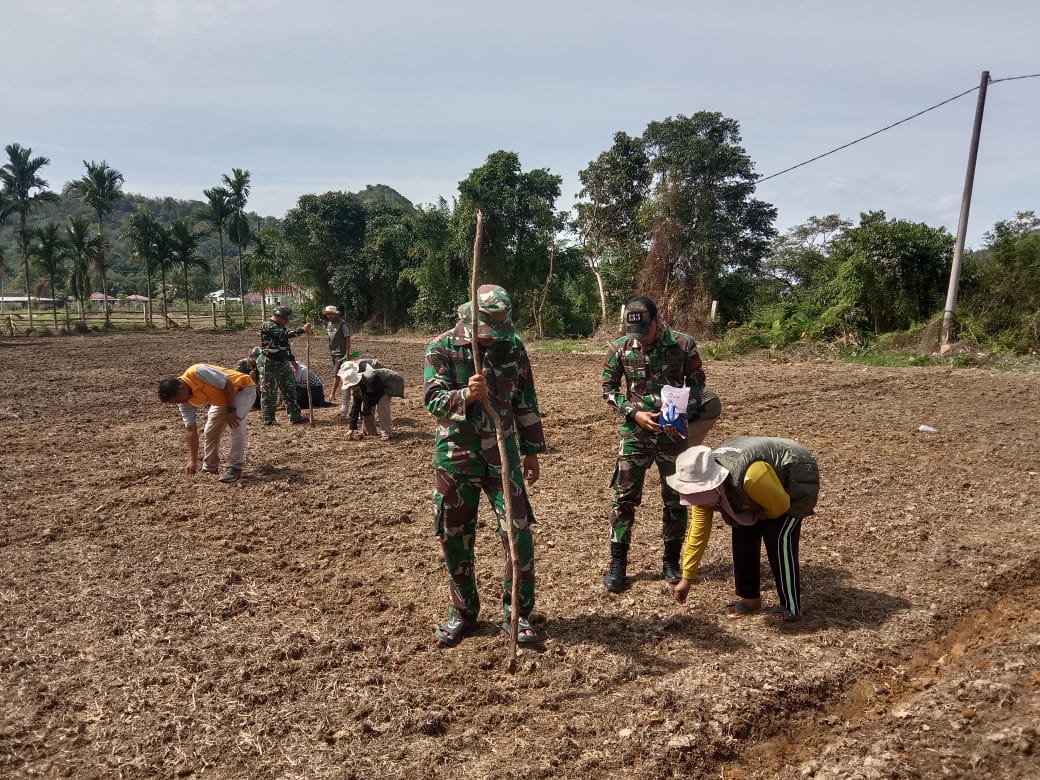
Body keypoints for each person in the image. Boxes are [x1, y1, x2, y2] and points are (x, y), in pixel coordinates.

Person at [423, 284, 546, 647]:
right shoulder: (442, 347)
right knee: (454, 537)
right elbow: (432, 400)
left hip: (502, 457)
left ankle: (517, 613)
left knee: (517, 534)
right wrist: (465, 395)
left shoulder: (513, 346)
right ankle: (463, 612)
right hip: (456, 457)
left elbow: (525, 397)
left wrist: (533, 450)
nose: (493, 340)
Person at [601, 295, 722, 593]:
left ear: (657, 320)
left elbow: (698, 385)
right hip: (635, 434)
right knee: (624, 498)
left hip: (672, 435)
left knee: (675, 499)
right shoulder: (620, 347)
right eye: (635, 334)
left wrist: (680, 410)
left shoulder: (683, 344)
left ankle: (671, 561)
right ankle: (618, 565)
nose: (640, 339)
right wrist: (634, 412)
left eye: (646, 331)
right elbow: (608, 389)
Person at [667, 437, 820, 622]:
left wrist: (756, 516)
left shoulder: (751, 477)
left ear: (714, 485)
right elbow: (698, 533)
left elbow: (780, 506)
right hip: (753, 489)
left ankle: (791, 606)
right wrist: (687, 578)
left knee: (778, 536)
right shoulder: (701, 481)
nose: (695, 501)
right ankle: (750, 599)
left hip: (793, 472)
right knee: (742, 535)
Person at [157, 363, 258, 484]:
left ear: (181, 388)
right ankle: (210, 467)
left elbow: (228, 383)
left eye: (177, 400)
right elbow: (190, 430)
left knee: (236, 423)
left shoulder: (198, 372)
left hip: (243, 388)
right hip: (222, 399)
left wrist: (231, 410)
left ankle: (234, 467)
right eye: (174, 403)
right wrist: (192, 460)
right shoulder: (184, 402)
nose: (178, 403)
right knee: (210, 431)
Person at [258, 305, 312, 425]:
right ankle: (268, 419)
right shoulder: (268, 325)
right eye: (286, 318)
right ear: (278, 316)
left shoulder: (280, 326)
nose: (287, 321)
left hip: (282, 362)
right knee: (269, 391)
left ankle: (295, 416)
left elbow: (285, 345)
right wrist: (302, 330)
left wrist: (291, 359)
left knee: (290, 389)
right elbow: (284, 335)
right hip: (269, 362)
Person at [340, 359, 405, 440]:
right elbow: (355, 407)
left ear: (356, 382)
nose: (351, 389)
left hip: (388, 383)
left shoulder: (370, 378)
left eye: (351, 386)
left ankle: (387, 432)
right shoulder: (356, 390)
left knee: (382, 405)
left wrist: (368, 404)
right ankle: (369, 432)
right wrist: (351, 429)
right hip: (375, 390)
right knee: (365, 406)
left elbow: (379, 392)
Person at [323, 305, 351, 372]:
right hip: (333, 351)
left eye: (330, 314)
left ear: (335, 314)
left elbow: (347, 338)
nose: (328, 316)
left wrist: (347, 352)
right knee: (339, 371)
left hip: (340, 352)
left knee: (336, 372)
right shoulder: (329, 324)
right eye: (327, 314)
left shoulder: (342, 324)